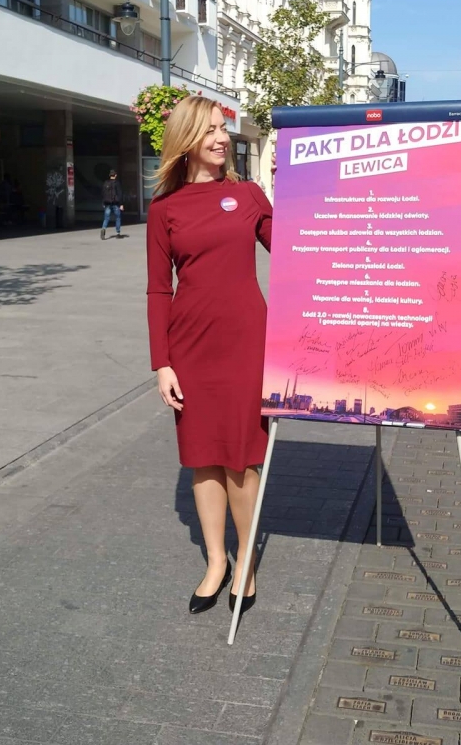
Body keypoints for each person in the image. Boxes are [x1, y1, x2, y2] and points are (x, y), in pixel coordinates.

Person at [146, 96, 272, 616]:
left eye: (224, 129)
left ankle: (246, 563)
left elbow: (296, 252)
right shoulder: (164, 209)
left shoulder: (247, 194)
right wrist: (162, 362)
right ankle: (216, 562)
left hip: (246, 343)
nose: (222, 139)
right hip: (191, 347)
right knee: (203, 457)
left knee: (240, 456)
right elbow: (159, 289)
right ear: (186, 140)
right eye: (210, 131)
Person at [101, 169, 124, 239]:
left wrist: (103, 202)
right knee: (118, 218)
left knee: (106, 218)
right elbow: (120, 194)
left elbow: (103, 193)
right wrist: (121, 204)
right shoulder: (117, 183)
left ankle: (103, 229)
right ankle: (118, 233)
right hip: (115, 203)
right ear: (115, 175)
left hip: (107, 203)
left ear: (109, 175)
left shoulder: (105, 183)